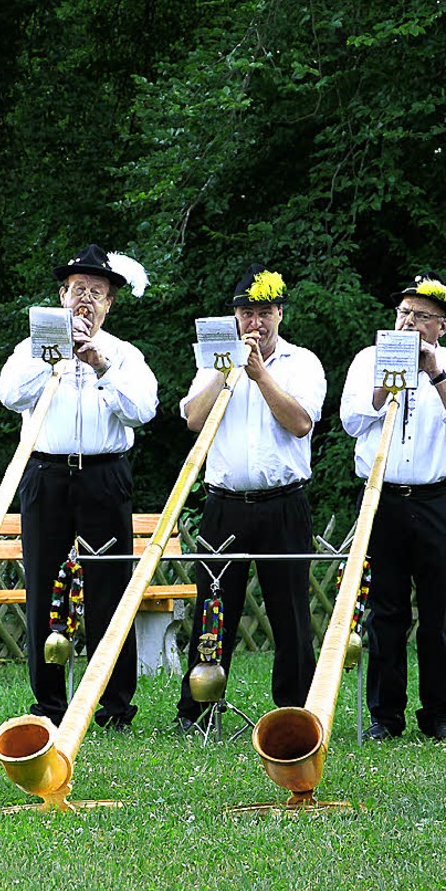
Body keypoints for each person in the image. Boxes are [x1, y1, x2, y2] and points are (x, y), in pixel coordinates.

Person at [0, 243, 158, 730]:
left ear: (110, 304)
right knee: (44, 585)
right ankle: (49, 705)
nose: (86, 300)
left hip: (105, 476)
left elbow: (143, 410)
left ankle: (113, 706)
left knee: (111, 587)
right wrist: (53, 357)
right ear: (61, 296)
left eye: (97, 292)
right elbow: (8, 394)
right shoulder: (32, 348)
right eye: (78, 290)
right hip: (46, 474)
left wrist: (100, 365)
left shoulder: (125, 355)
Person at [176, 263, 327, 730]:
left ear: (280, 313)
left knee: (291, 615)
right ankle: (198, 712)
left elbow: (300, 423)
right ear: (235, 318)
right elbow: (193, 420)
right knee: (214, 608)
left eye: (263, 313)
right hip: (225, 505)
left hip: (284, 503)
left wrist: (260, 375)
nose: (254, 323)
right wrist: (226, 375)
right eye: (246, 314)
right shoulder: (213, 359)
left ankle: (294, 713)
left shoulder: (302, 362)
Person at [340, 270, 446, 743]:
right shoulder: (369, 358)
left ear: (442, 326)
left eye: (421, 316)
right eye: (404, 314)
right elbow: (352, 420)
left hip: (439, 497)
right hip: (383, 498)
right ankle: (385, 715)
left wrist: (434, 373)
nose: (409, 323)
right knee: (385, 610)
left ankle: (439, 714)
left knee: (439, 611)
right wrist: (388, 379)